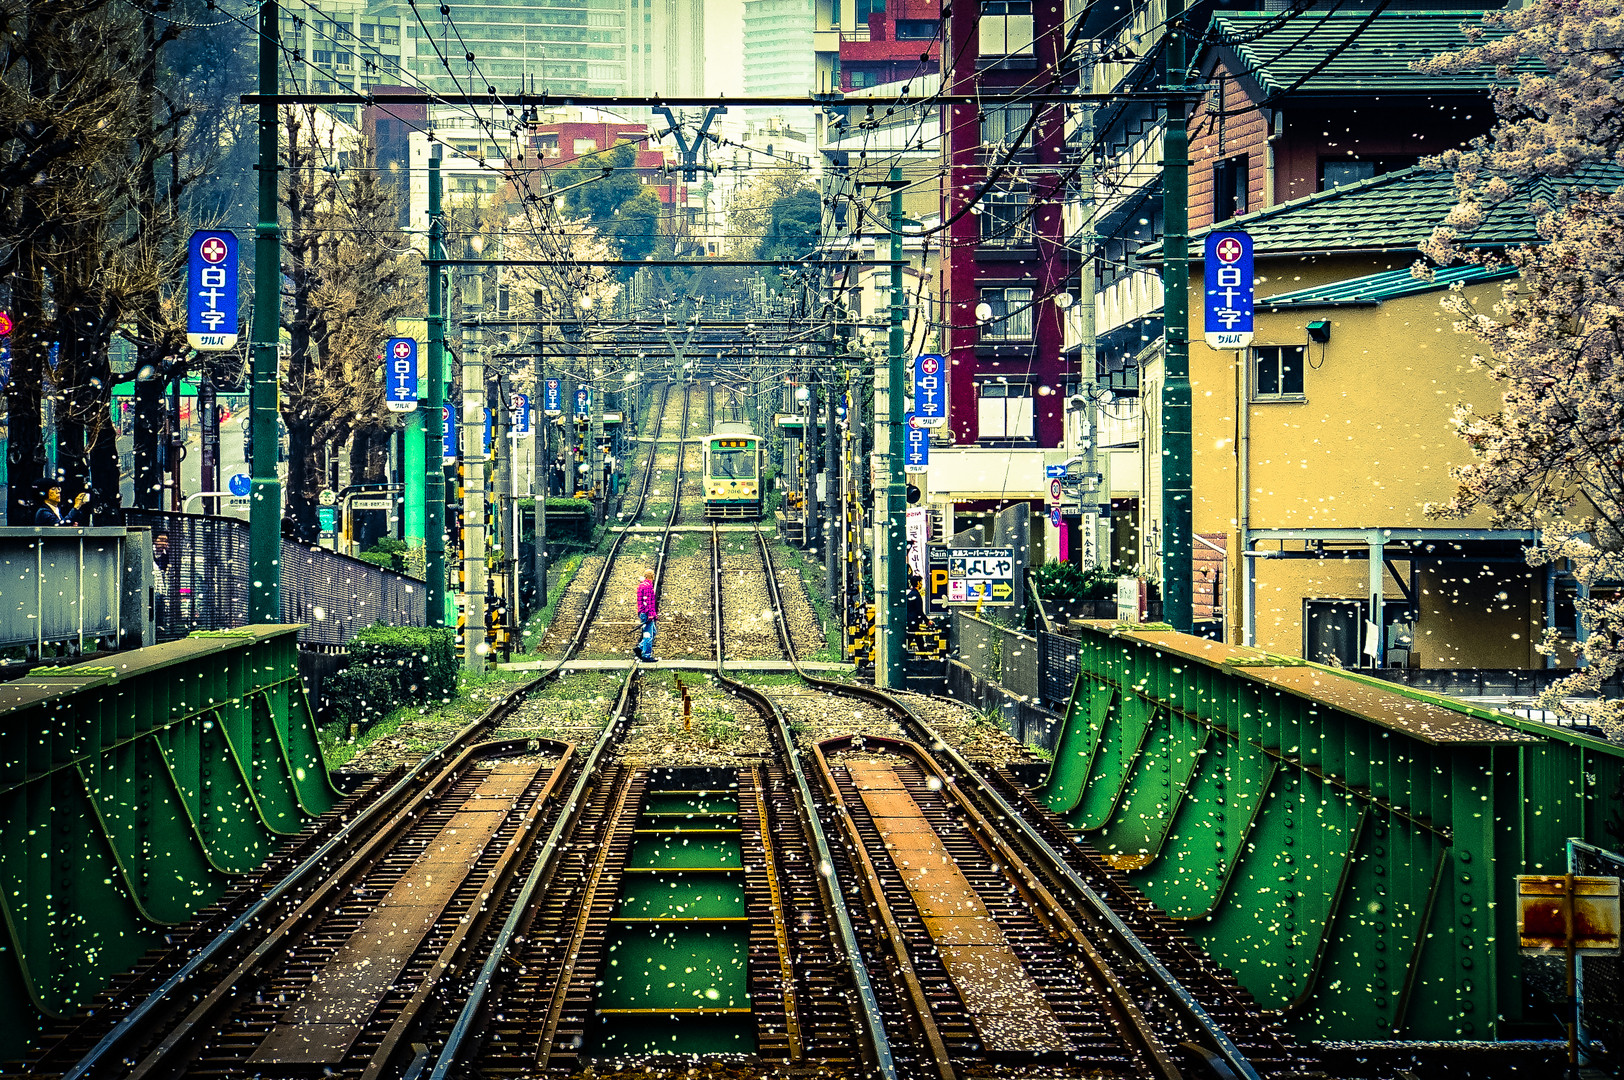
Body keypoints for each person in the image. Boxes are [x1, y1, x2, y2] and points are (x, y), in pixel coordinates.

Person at [635, 568, 658, 662]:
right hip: (647, 613)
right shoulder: (648, 586)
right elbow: (647, 602)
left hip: (643, 612)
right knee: (648, 635)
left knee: (653, 632)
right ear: (651, 576)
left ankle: (640, 647)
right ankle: (646, 656)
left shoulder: (642, 585)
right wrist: (651, 614)